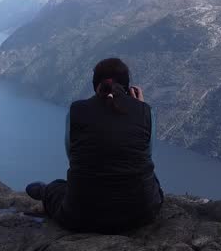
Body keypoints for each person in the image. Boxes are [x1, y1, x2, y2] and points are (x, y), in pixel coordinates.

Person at [25, 58, 163, 233]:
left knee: (58, 187)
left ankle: (46, 193)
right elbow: (146, 154)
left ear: (95, 85)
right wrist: (141, 107)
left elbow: (73, 155)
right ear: (128, 87)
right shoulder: (145, 111)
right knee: (150, 178)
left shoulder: (76, 110)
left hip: (80, 215)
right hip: (141, 213)